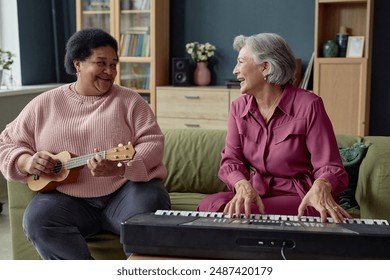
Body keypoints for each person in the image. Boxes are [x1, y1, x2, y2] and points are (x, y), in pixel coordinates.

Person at [0, 28, 171, 259]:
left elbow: (152, 142)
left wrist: (121, 167)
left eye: (113, 64)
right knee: (38, 219)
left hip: (124, 192)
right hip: (67, 200)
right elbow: (7, 142)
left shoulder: (130, 101)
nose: (109, 71)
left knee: (152, 200)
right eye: (101, 63)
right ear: (78, 64)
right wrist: (27, 161)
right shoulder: (44, 103)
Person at [197, 33, 351, 223]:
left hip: (301, 197)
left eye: (240, 62)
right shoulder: (238, 107)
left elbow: (330, 165)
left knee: (244, 213)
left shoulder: (309, 105)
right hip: (259, 193)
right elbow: (231, 161)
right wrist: (241, 183)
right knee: (209, 206)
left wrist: (323, 183)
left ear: (265, 67)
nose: (235, 70)